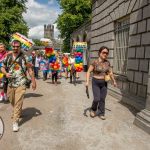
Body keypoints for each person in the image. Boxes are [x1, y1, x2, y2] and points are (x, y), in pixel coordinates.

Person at [1, 40, 36, 132]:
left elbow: (30, 70)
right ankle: (18, 111)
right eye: (14, 46)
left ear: (20, 47)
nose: (15, 48)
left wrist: (33, 81)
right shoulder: (7, 56)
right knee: (12, 100)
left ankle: (15, 122)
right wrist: (5, 73)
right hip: (10, 83)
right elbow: (2, 66)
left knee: (18, 102)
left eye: (17, 46)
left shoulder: (25, 57)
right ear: (11, 46)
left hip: (21, 83)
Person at [86, 46, 117, 120]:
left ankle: (101, 112)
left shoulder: (107, 63)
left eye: (107, 53)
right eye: (104, 52)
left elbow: (110, 73)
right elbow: (88, 72)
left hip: (104, 83)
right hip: (95, 82)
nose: (105, 54)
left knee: (102, 99)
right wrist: (87, 82)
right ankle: (93, 109)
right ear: (100, 53)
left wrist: (114, 81)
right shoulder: (95, 62)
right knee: (97, 99)